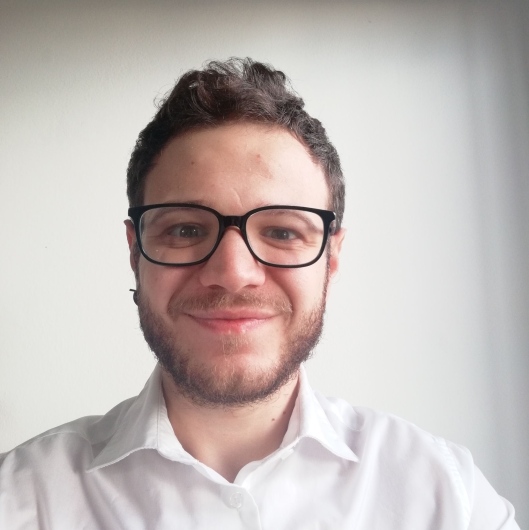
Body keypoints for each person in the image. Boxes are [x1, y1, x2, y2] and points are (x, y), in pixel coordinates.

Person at [0, 58, 519, 529]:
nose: (233, 273)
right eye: (185, 229)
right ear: (135, 252)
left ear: (332, 259)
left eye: (282, 231)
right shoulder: (21, 498)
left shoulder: (449, 499)